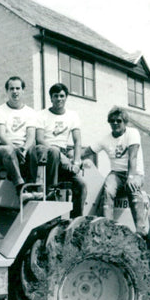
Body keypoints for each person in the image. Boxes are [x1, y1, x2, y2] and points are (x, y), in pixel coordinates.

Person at [82, 106, 149, 236]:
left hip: (135, 172)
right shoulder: (105, 139)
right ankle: (108, 227)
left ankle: (141, 229)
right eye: (112, 121)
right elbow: (88, 151)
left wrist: (131, 177)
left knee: (133, 189)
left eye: (119, 121)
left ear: (125, 122)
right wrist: (74, 156)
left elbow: (133, 157)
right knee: (108, 190)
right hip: (116, 173)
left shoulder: (132, 133)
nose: (115, 123)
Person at [35, 83, 87, 217]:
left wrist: (76, 162)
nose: (59, 99)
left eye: (62, 96)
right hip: (46, 154)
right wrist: (59, 154)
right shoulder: (42, 115)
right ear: (51, 98)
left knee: (81, 184)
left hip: (63, 156)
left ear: (66, 97)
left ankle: (75, 220)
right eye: (56, 96)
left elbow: (77, 141)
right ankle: (50, 193)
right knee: (54, 151)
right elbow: (39, 138)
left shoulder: (72, 115)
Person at [0, 76, 44, 202]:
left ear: (23, 91)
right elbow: (2, 135)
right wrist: (15, 148)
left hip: (22, 147)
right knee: (9, 150)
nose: (15, 91)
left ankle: (32, 187)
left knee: (33, 148)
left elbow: (31, 136)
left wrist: (24, 149)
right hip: (4, 147)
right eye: (12, 89)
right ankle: (20, 188)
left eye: (18, 88)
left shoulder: (30, 112)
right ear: (7, 91)